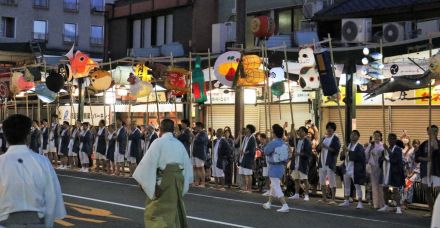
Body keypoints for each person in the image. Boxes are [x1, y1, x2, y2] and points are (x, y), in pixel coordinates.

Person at [0, 114, 66, 227]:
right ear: (28, 136)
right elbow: (52, 198)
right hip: (36, 221)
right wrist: (47, 224)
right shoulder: (43, 162)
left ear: (5, 136)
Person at [133, 119, 193, 228]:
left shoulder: (158, 143)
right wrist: (184, 184)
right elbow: (187, 167)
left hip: (163, 182)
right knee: (174, 212)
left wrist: (146, 183)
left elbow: (148, 164)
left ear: (160, 129)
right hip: (178, 181)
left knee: (156, 214)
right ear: (172, 129)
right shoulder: (179, 144)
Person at [262, 124, 290, 213]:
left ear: (274, 133)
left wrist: (268, 143)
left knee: (276, 186)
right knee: (273, 185)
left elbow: (266, 151)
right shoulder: (283, 143)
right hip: (281, 167)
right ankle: (269, 203)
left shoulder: (273, 143)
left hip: (273, 167)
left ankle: (285, 205)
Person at [415, 125, 440, 216]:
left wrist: (434, 144)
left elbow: (437, 151)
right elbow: (417, 157)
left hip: (436, 171)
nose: (433, 133)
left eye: (435, 131)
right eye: (430, 131)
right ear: (428, 132)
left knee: (438, 191)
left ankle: (438, 212)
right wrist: (425, 159)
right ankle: (432, 211)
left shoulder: (438, 143)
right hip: (425, 170)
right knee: (427, 191)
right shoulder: (424, 144)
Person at [378, 133, 405, 214]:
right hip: (385, 171)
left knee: (395, 190)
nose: (390, 141)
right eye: (389, 139)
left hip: (394, 172)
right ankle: (386, 205)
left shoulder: (398, 149)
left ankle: (398, 207)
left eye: (392, 139)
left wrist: (387, 152)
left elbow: (396, 160)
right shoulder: (385, 149)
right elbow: (381, 159)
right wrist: (381, 159)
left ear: (395, 140)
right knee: (384, 189)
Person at [339, 130, 366, 209]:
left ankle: (360, 202)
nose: (353, 136)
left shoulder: (360, 147)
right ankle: (346, 200)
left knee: (357, 186)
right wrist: (343, 152)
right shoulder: (348, 145)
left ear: (358, 137)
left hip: (355, 169)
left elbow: (359, 157)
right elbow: (342, 158)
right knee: (346, 185)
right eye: (352, 134)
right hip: (347, 167)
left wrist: (348, 151)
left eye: (355, 135)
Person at [317, 122, 341, 204]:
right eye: (328, 128)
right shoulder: (324, 138)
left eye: (331, 128)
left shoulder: (335, 139)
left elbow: (336, 150)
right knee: (322, 180)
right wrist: (319, 146)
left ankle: (333, 199)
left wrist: (326, 147)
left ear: (333, 130)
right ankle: (324, 197)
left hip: (330, 162)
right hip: (322, 161)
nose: (329, 130)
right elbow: (318, 149)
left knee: (332, 180)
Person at [289, 126, 312, 201]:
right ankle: (296, 194)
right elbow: (291, 142)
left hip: (303, 163)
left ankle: (307, 195)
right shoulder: (297, 140)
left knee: (305, 179)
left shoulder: (307, 141)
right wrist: (292, 131)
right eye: (299, 131)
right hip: (296, 162)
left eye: (301, 131)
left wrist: (299, 154)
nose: (300, 132)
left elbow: (308, 153)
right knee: (296, 179)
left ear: (305, 133)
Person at [365, 130, 385, 209]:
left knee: (381, 185)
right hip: (373, 166)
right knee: (374, 185)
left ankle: (382, 203)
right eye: (375, 135)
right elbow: (366, 154)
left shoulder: (383, 145)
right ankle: (376, 204)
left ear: (380, 137)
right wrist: (370, 148)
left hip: (380, 167)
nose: (376, 137)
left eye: (378, 136)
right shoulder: (371, 145)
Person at [239, 124, 257, 193]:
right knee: (243, 173)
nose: (245, 129)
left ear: (249, 130)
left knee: (248, 174)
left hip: (248, 159)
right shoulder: (246, 137)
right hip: (243, 158)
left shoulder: (252, 138)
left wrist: (244, 152)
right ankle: (244, 187)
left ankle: (249, 189)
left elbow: (252, 150)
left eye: (246, 128)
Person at [192, 122, 209, 187]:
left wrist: (193, 135)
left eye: (196, 126)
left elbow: (200, 140)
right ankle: (197, 182)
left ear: (199, 127)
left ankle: (203, 183)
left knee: (200, 168)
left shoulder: (204, 134)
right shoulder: (198, 134)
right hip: (195, 153)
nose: (195, 128)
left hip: (200, 154)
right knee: (195, 168)